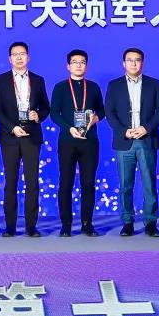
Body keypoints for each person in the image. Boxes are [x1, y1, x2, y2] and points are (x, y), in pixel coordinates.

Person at [105, 48, 159, 237]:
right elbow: (109, 112)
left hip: (146, 139)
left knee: (149, 183)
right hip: (125, 140)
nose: (133, 63)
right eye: (130, 60)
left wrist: (146, 128)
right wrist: (123, 131)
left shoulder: (153, 84)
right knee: (125, 185)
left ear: (142, 63)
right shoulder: (114, 85)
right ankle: (127, 222)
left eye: (137, 60)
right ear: (123, 63)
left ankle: (151, 222)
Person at [0, 42, 50, 237]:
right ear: (10, 59)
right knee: (11, 182)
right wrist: (12, 128)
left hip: (32, 136)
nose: (19, 57)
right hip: (10, 136)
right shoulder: (0, 80)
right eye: (15, 54)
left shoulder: (38, 80)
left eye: (22, 54)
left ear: (28, 57)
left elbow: (46, 107)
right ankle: (10, 227)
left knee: (32, 182)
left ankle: (31, 227)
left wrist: (38, 115)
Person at [49, 49, 105, 237]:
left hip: (89, 141)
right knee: (66, 182)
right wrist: (69, 128)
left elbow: (102, 111)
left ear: (86, 66)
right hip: (67, 141)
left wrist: (96, 118)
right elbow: (54, 113)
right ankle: (66, 225)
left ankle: (87, 223)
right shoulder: (60, 87)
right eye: (75, 62)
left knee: (88, 183)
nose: (79, 65)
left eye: (82, 62)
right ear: (68, 66)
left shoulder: (94, 87)